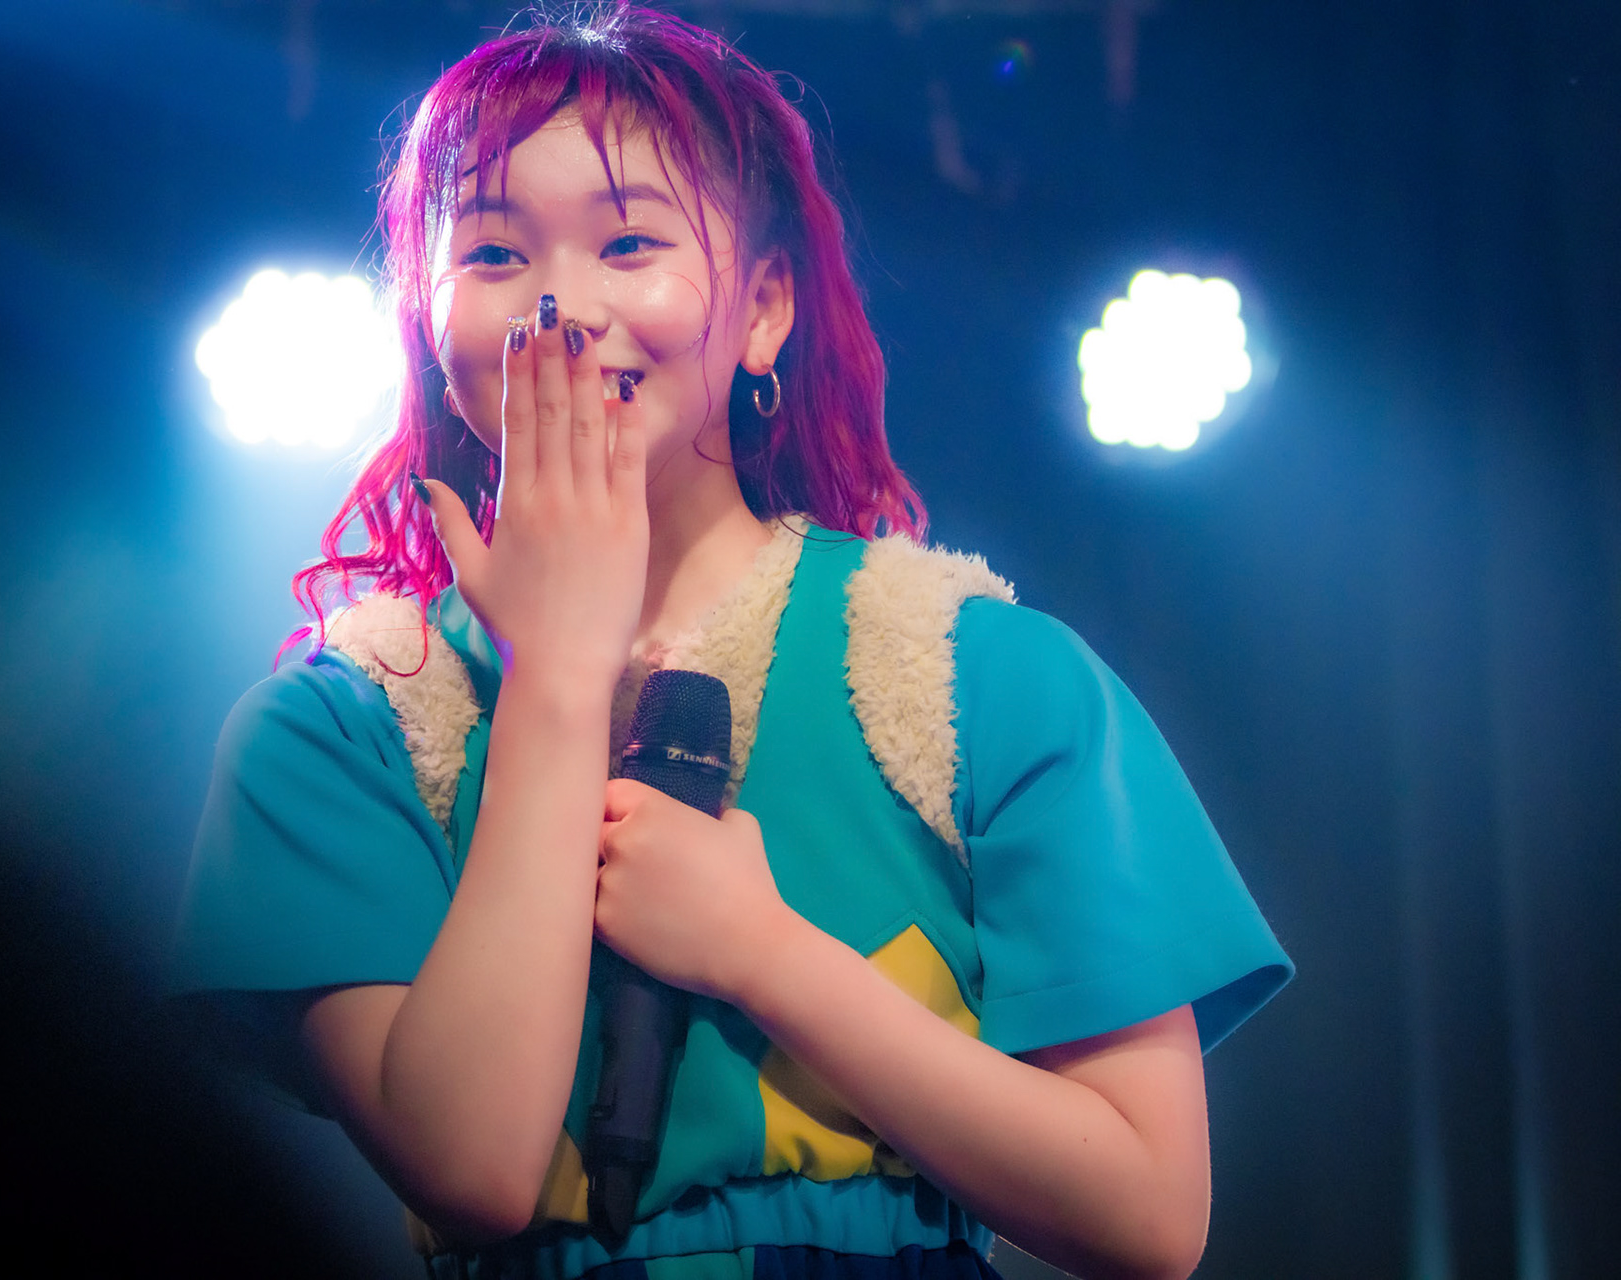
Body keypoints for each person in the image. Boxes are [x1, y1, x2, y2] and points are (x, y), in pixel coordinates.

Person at [174, 6, 1291, 1278]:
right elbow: (472, 1166)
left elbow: (1147, 1214)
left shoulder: (978, 676)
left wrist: (764, 954)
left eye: (629, 241)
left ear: (764, 309)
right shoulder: (348, 726)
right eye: (492, 251)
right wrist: (556, 674)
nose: (561, 303)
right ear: (426, 321)